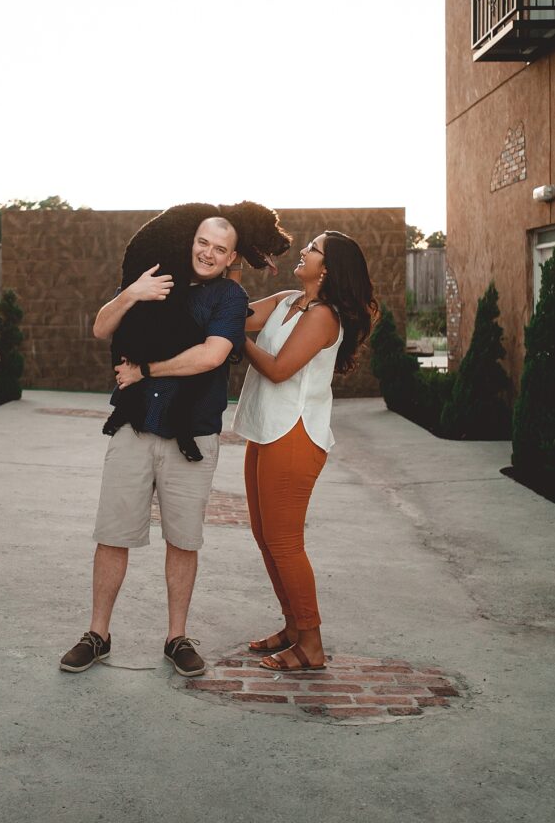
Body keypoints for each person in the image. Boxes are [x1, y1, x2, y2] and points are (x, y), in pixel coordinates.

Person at [60, 217, 248, 677]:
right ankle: (97, 634)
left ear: (231, 258)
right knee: (113, 533)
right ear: (192, 242)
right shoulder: (155, 277)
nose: (207, 253)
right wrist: (131, 294)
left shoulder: (229, 297)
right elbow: (101, 329)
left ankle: (176, 637)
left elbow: (213, 354)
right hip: (134, 426)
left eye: (219, 249)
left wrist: (144, 371)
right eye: (202, 242)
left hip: (193, 435)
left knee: (183, 540)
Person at [231, 230, 377, 672]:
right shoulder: (287, 299)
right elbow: (233, 313)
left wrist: (232, 343)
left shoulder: (324, 317)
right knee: (264, 536)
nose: (304, 252)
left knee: (285, 542)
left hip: (295, 436)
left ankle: (310, 643)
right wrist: (235, 259)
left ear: (328, 268)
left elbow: (277, 370)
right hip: (266, 429)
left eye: (312, 249)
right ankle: (293, 627)